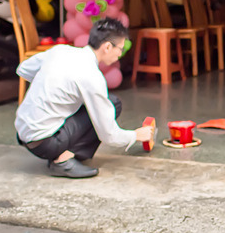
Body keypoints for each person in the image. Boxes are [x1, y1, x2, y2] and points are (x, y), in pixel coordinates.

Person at [15, 18, 154, 178]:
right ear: (107, 47)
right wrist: (136, 135)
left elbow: (24, 69)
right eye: (120, 49)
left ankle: (61, 154)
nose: (120, 54)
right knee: (113, 103)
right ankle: (62, 160)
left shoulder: (60, 51)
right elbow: (108, 135)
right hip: (45, 143)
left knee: (93, 104)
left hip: (23, 133)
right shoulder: (92, 76)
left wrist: (53, 87)